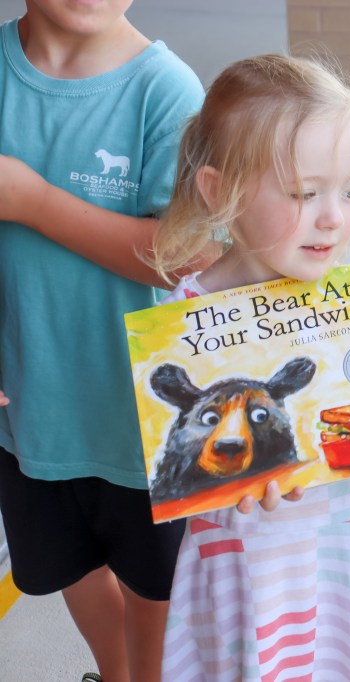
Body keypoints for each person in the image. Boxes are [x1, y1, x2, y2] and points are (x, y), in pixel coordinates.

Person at [150, 54, 350, 682]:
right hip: (245, 581)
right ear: (220, 192)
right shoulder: (183, 322)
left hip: (346, 568)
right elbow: (169, 470)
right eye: (306, 194)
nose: (333, 216)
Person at [0, 2, 204, 681]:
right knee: (65, 562)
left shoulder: (165, 90)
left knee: (155, 583)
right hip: (27, 406)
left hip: (139, 418)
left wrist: (34, 202)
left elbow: (182, 254)